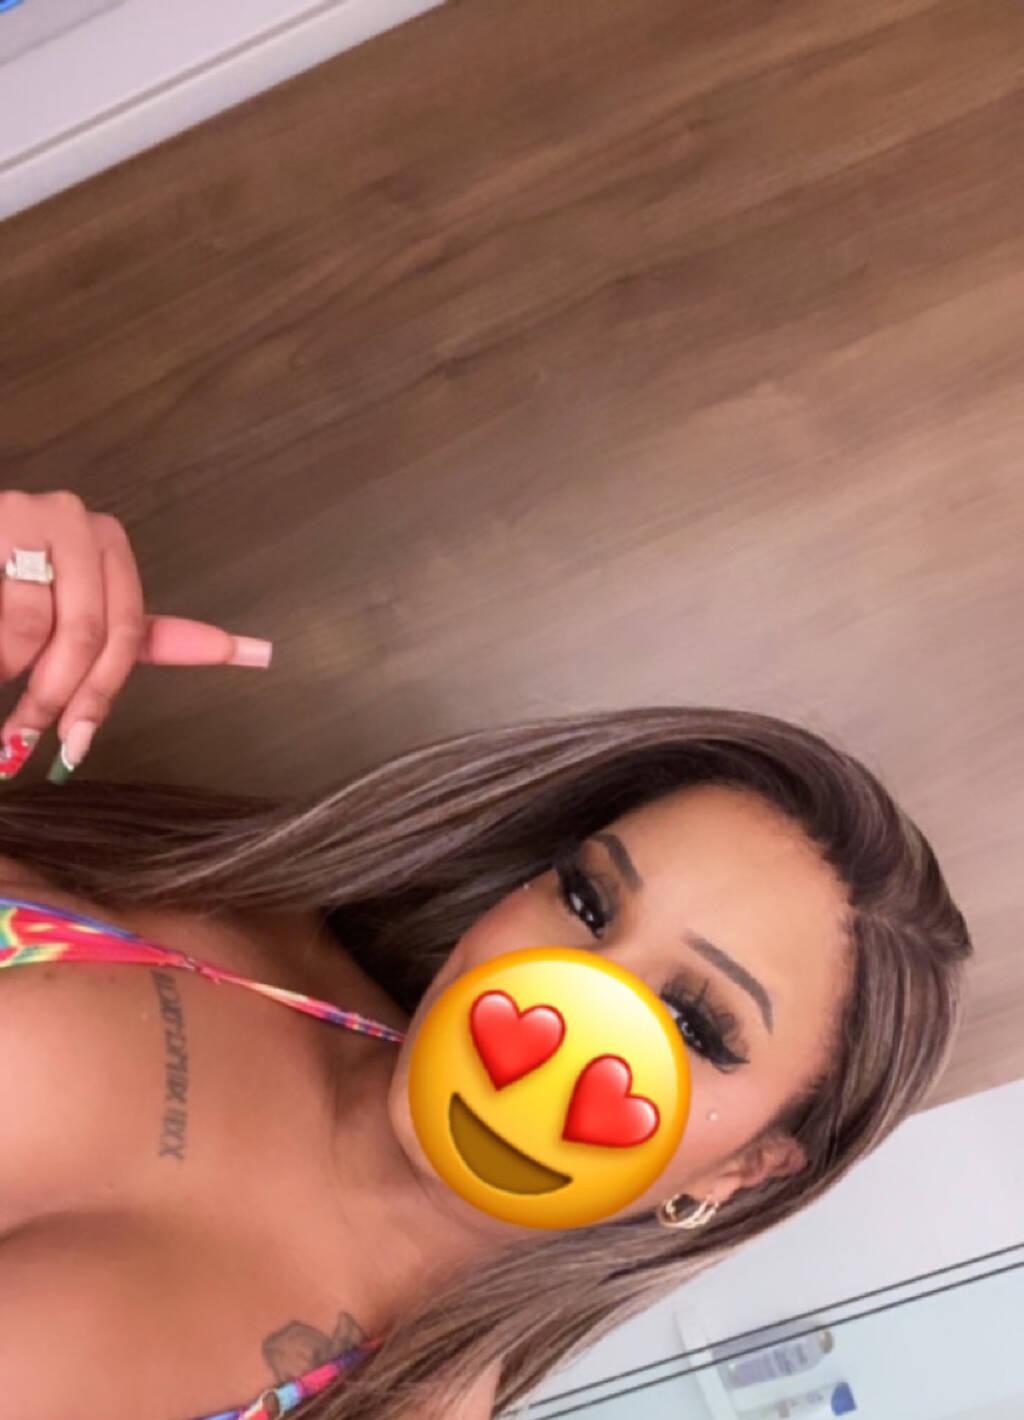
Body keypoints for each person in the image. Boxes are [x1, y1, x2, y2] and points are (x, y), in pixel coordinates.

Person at [0, 489, 972, 1420]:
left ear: (743, 1168)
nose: (554, 1016)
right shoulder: (244, 898)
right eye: (588, 901)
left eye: (691, 1023)